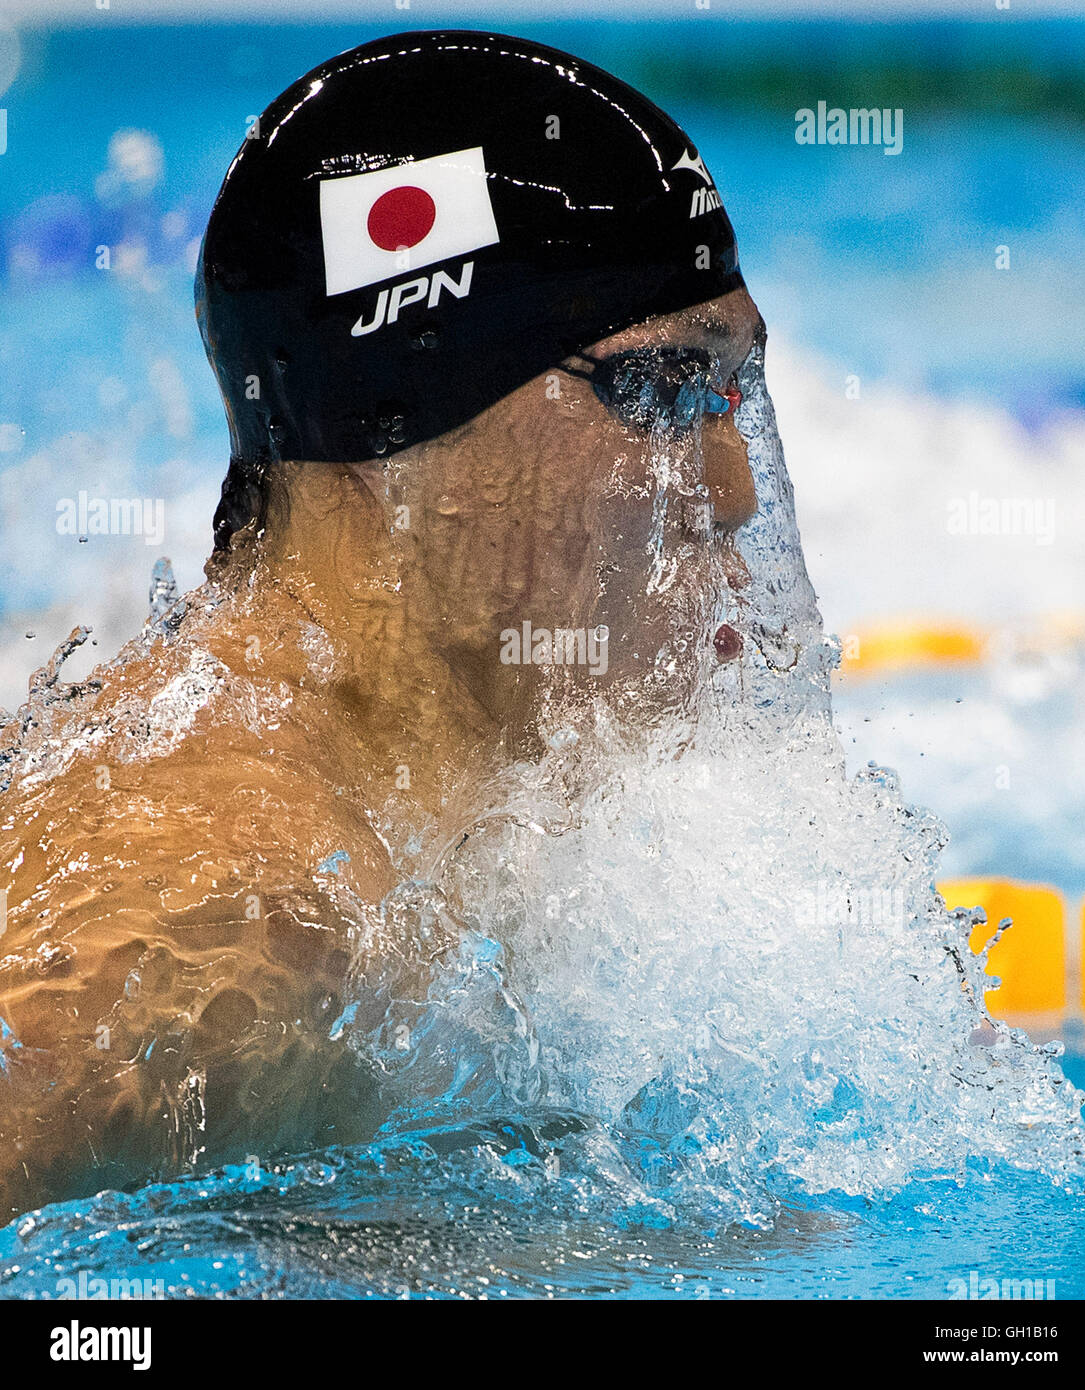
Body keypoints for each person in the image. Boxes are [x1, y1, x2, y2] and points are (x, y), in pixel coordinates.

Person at [0, 30, 762, 1218]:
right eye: (658, 389)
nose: (731, 488)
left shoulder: (416, 817)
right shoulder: (236, 921)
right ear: (395, 425)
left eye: (731, 394)